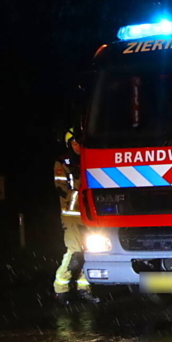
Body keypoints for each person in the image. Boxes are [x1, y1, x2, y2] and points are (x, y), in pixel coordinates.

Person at [53, 128, 99, 304]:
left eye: (81, 142)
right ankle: (61, 290)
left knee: (91, 252)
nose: (79, 146)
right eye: (75, 143)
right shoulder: (63, 163)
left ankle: (83, 289)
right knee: (74, 253)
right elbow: (61, 189)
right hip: (72, 216)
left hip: (92, 215)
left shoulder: (92, 160)